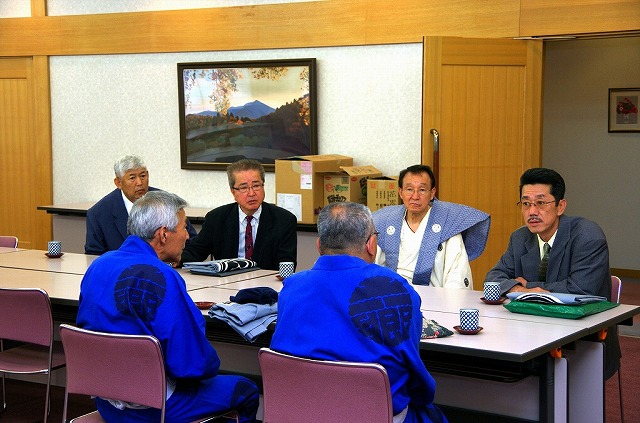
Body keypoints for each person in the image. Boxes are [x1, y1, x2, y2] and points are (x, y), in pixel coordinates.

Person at [76, 190, 259, 422]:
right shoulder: (161, 276)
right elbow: (191, 365)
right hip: (153, 407)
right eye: (184, 227)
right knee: (246, 389)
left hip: (107, 401)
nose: (188, 236)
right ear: (163, 234)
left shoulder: (98, 265)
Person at [271, 202, 448, 423]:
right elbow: (416, 376)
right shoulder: (395, 289)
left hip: (301, 414)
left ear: (318, 246)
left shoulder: (291, 288)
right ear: (372, 245)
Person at [485, 167, 620, 379]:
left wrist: (526, 287)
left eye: (541, 203)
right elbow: (493, 279)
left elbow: (580, 290)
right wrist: (522, 289)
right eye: (526, 203)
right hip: (530, 335)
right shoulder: (519, 238)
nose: (532, 212)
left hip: (583, 340)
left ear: (560, 206)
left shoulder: (587, 235)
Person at [373, 164, 490, 288]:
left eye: (422, 190)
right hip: (392, 293)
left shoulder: (448, 226)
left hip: (434, 295)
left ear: (432, 193)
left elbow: (456, 274)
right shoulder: (385, 221)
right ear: (400, 192)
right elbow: (371, 266)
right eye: (409, 189)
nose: (415, 196)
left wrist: (450, 299)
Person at [180, 159, 297, 270]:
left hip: (266, 283)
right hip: (226, 282)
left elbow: (287, 262)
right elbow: (194, 252)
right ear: (233, 191)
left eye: (256, 186)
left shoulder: (284, 220)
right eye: (244, 188)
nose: (251, 193)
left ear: (263, 186)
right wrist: (173, 261)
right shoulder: (217, 219)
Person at [85, 154, 197, 255]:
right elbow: (94, 255)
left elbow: (191, 242)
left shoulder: (168, 203)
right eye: (132, 178)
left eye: (143, 176)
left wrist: (174, 262)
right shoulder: (98, 213)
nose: (139, 183)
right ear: (118, 182)